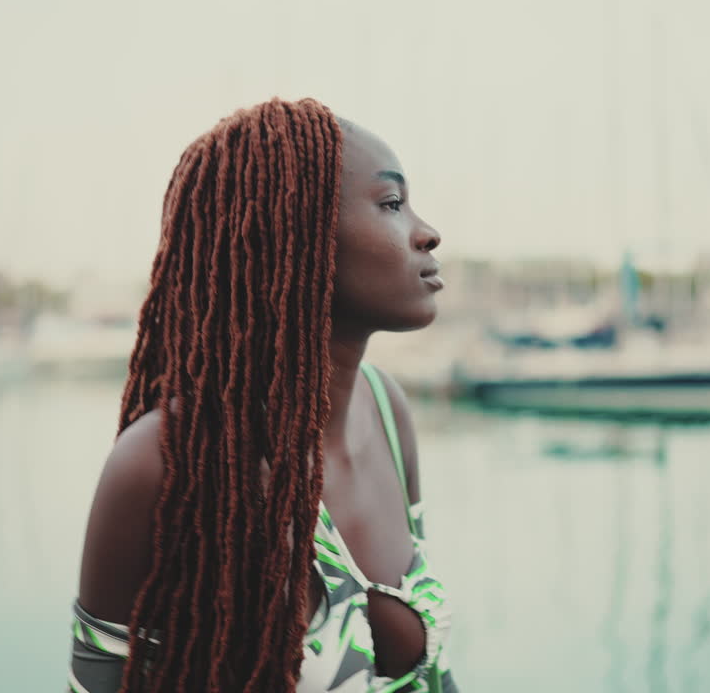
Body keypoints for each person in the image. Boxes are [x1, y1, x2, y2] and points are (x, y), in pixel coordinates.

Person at [69, 98, 459, 693]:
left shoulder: (385, 409)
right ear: (292, 233)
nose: (426, 233)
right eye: (391, 204)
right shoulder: (163, 461)